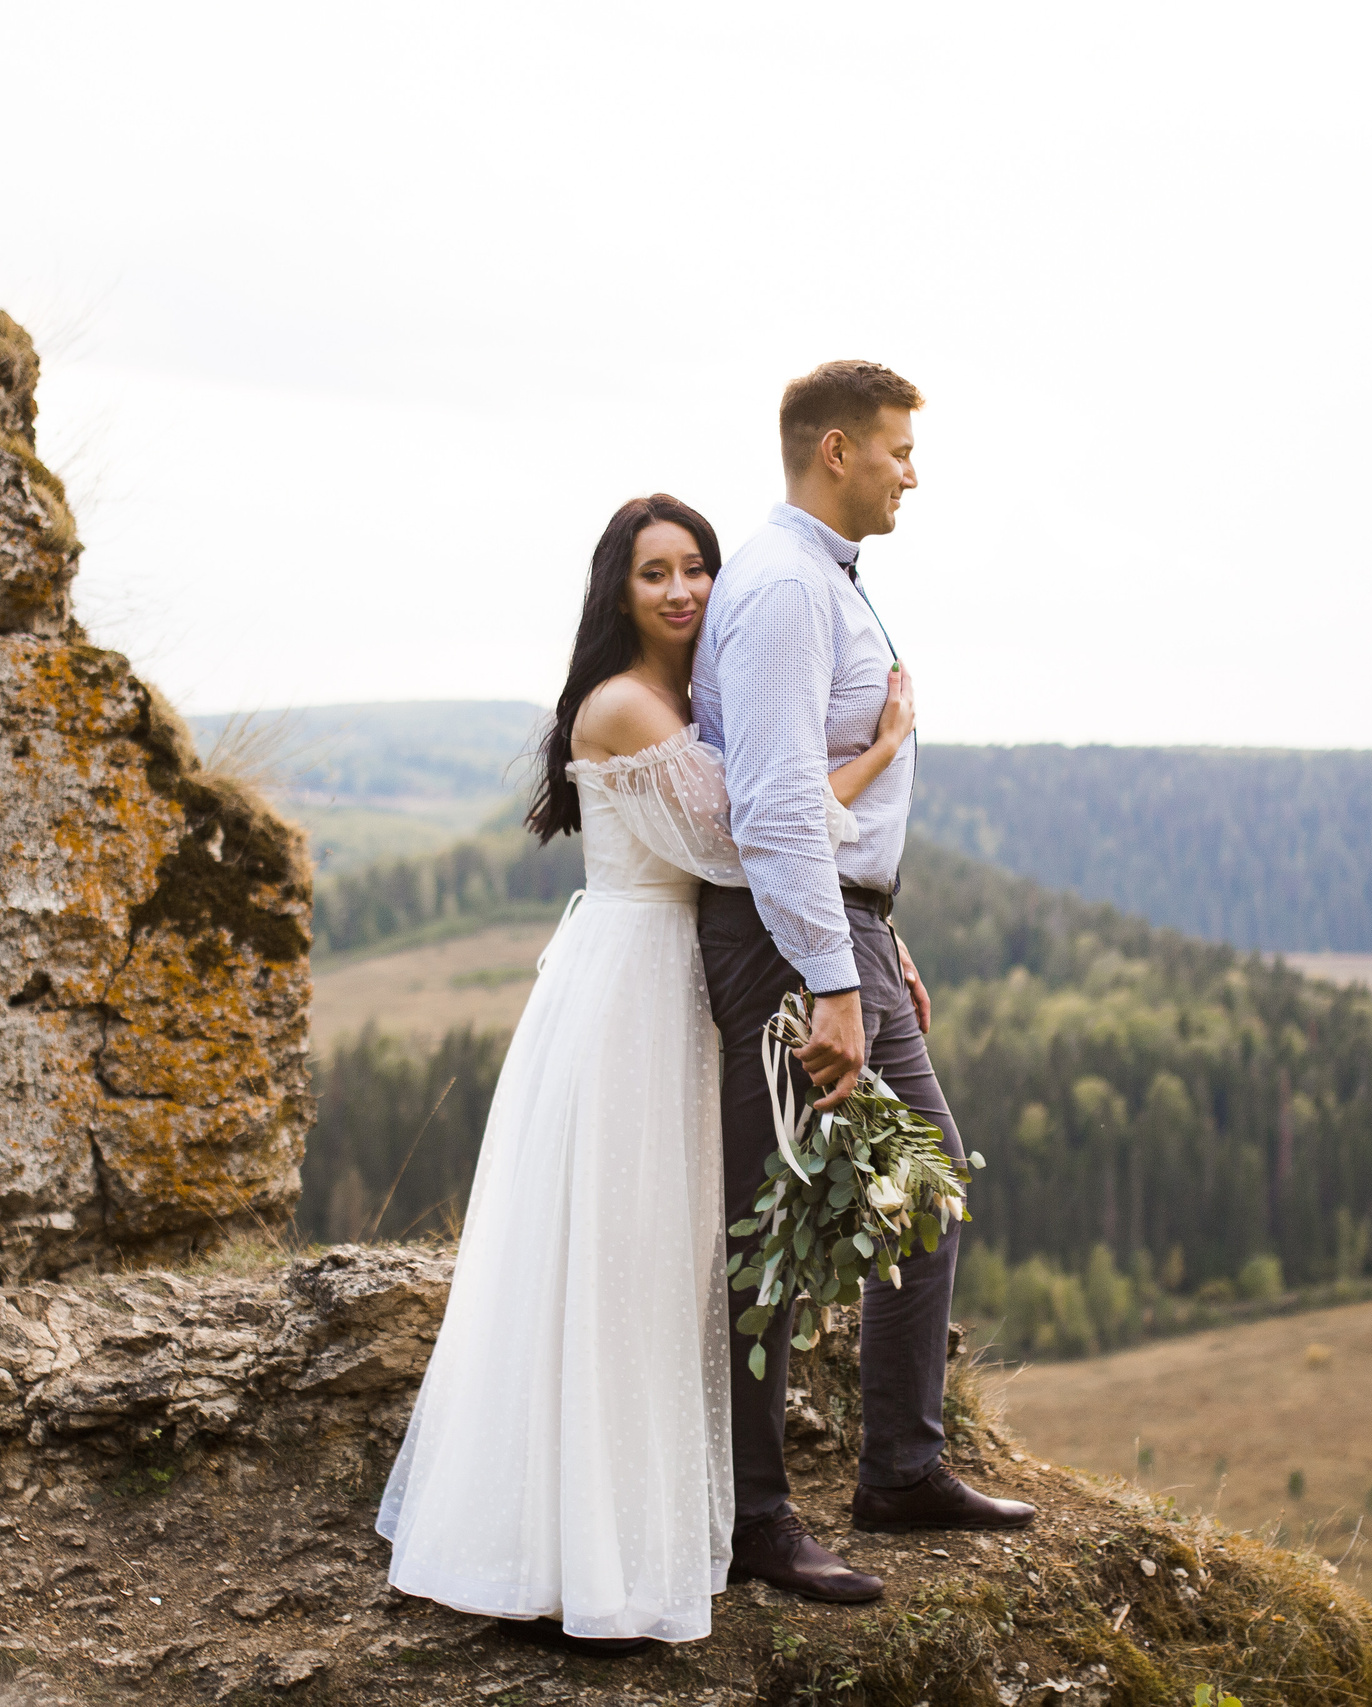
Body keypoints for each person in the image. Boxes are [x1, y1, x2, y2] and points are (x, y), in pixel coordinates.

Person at [373, 493, 913, 1651]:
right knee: (626, 1255)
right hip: (636, 982)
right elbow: (739, 841)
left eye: (698, 570)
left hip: (677, 974)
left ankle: (665, 1519)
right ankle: (588, 1548)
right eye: (654, 573)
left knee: (670, 1256)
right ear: (617, 590)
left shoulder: (679, 695)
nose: (682, 592)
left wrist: (880, 938)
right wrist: (875, 754)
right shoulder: (624, 704)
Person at [692, 361, 1038, 1609]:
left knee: (926, 1180)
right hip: (795, 947)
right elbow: (776, 803)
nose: (911, 471)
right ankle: (755, 1520)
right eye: (897, 449)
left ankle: (900, 1469)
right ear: (834, 449)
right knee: (776, 1220)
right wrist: (833, 977)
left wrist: (877, 936)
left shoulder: (824, 580)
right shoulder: (786, 589)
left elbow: (822, 815)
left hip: (844, 929)